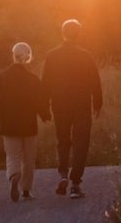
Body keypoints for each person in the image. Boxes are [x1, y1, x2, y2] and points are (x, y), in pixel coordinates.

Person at [40, 19, 102, 199]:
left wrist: (44, 108)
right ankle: (75, 183)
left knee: (63, 140)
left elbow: (46, 83)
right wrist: (97, 104)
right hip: (81, 105)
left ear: (63, 34)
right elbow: (95, 82)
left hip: (60, 105)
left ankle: (63, 175)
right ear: (79, 34)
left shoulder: (52, 56)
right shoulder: (86, 56)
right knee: (81, 142)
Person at [0, 42, 48, 202]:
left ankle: (13, 176)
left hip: (9, 125)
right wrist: (46, 114)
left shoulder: (2, 77)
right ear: (28, 57)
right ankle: (26, 190)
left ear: (13, 55)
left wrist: (1, 123)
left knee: (13, 156)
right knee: (29, 159)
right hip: (28, 125)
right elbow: (40, 101)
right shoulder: (32, 79)